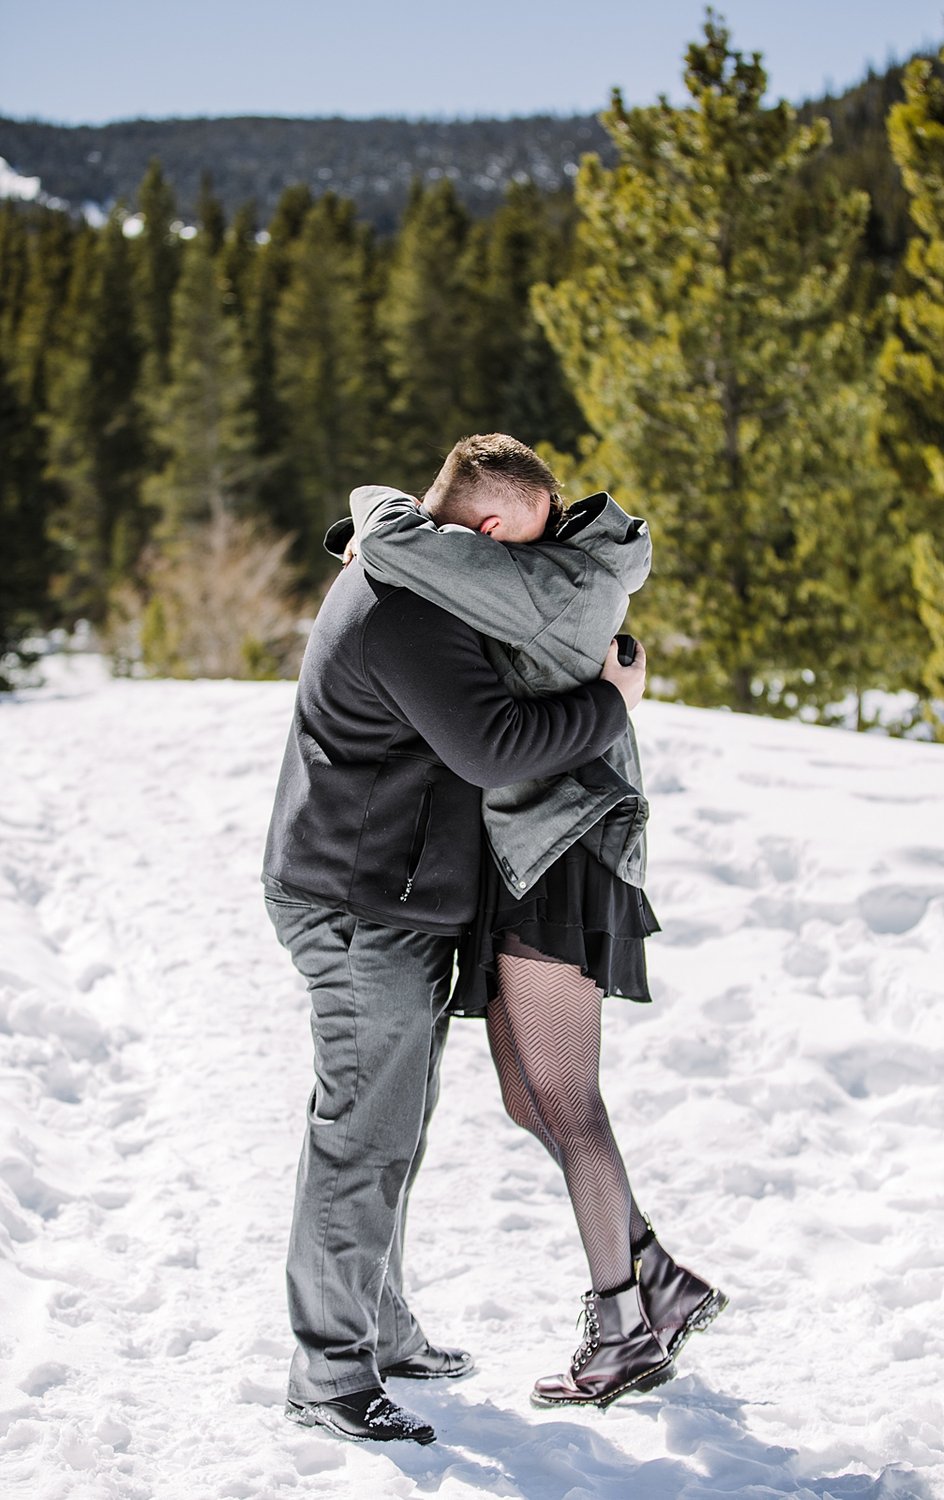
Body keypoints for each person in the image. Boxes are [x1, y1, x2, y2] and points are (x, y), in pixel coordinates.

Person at [261, 436, 645, 1445]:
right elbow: (491, 746)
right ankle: (329, 1373)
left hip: (393, 896)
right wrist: (611, 703)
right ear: (482, 528)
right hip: (357, 903)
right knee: (363, 1133)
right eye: (523, 542)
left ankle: (378, 1331)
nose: (528, 566)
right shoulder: (412, 607)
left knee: (393, 1125)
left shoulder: (423, 573)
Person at [344, 433, 728, 1411]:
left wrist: (373, 526)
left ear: (488, 529)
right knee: (528, 1097)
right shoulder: (540, 558)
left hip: (567, 850)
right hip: (531, 851)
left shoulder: (554, 580)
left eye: (511, 535)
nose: (518, 546)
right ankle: (659, 1276)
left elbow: (396, 537)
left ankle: (621, 1325)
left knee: (567, 1099)